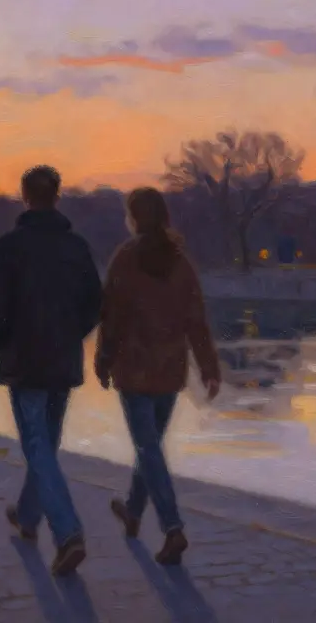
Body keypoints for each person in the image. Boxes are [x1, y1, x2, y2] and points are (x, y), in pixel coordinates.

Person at [0, 165, 103, 576]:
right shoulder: (77, 247)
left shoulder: (10, 246)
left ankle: (68, 533)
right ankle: (28, 517)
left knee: (37, 445)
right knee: (45, 442)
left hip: (24, 359)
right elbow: (93, 305)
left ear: (25, 196)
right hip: (62, 358)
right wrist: (70, 334)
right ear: (58, 196)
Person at [94, 187, 222, 566]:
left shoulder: (125, 259)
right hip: (169, 369)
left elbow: (111, 316)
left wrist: (103, 359)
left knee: (148, 448)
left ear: (135, 217)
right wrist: (209, 368)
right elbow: (196, 321)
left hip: (134, 369)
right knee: (149, 446)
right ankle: (134, 511)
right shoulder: (181, 263)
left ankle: (172, 528)